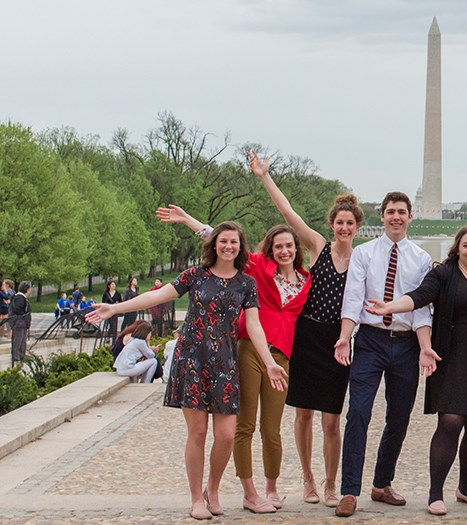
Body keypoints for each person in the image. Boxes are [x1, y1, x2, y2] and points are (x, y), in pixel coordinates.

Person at [85, 221, 289, 520]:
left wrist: (269, 361)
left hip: (225, 363)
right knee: (198, 432)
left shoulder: (246, 283)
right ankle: (196, 498)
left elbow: (254, 325)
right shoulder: (195, 275)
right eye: (223, 241)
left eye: (234, 242)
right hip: (192, 359)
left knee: (227, 435)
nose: (228, 246)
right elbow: (157, 296)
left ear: (240, 247)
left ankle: (213, 489)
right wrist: (115, 308)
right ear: (214, 245)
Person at [157, 202, 312, 514]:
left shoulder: (305, 280)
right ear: (270, 249)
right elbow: (223, 241)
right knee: (238, 427)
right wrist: (188, 219)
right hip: (240, 351)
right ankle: (240, 492)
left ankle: (266, 486)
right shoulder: (255, 269)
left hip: (278, 355)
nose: (284, 251)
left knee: (269, 427)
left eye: (289, 246)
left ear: (297, 249)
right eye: (278, 246)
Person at [365, 225, 467, 515]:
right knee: (451, 422)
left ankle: (466, 488)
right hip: (453, 356)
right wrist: (391, 307)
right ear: (457, 248)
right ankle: (435, 494)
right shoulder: (444, 275)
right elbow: (419, 296)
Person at [248, 150, 362, 508]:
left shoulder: (363, 260)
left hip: (338, 342)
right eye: (339, 223)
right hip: (307, 337)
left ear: (357, 226)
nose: (344, 228)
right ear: (332, 225)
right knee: (304, 414)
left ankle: (330, 483)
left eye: (350, 224)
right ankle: (308, 481)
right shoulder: (318, 247)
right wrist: (265, 176)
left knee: (332, 420)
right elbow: (288, 215)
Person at [333, 192, 433, 518]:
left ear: (410, 217)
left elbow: (420, 308)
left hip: (405, 343)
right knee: (358, 412)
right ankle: (349, 490)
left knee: (399, 417)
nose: (396, 217)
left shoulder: (420, 258)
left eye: (402, 212)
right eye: (391, 212)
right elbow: (353, 298)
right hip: (371, 340)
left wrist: (424, 347)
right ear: (382, 215)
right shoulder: (364, 253)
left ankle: (382, 482)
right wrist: (344, 338)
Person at [9, 281, 32, 366]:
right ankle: (16, 356)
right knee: (18, 339)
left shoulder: (21, 297)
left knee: (22, 340)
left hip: (22, 322)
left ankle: (21, 355)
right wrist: (24, 317)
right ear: (26, 289)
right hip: (19, 322)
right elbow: (19, 309)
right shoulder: (19, 298)